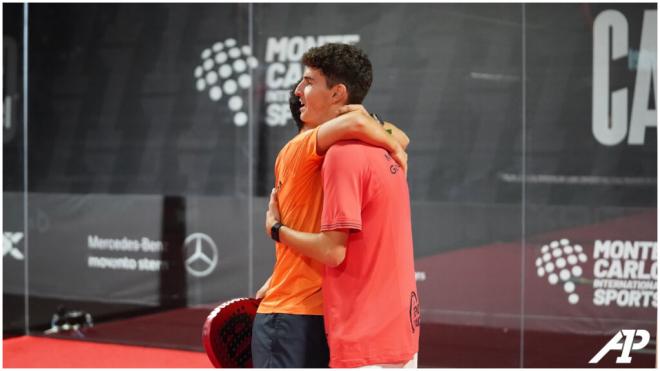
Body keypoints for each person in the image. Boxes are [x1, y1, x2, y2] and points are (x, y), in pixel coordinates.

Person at [252, 43, 410, 368]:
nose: (300, 90)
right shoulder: (298, 149)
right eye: (302, 85)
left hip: (318, 318)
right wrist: (392, 143)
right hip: (292, 315)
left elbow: (389, 133)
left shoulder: (339, 158)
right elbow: (371, 130)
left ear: (336, 96)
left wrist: (277, 231)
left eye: (308, 83)